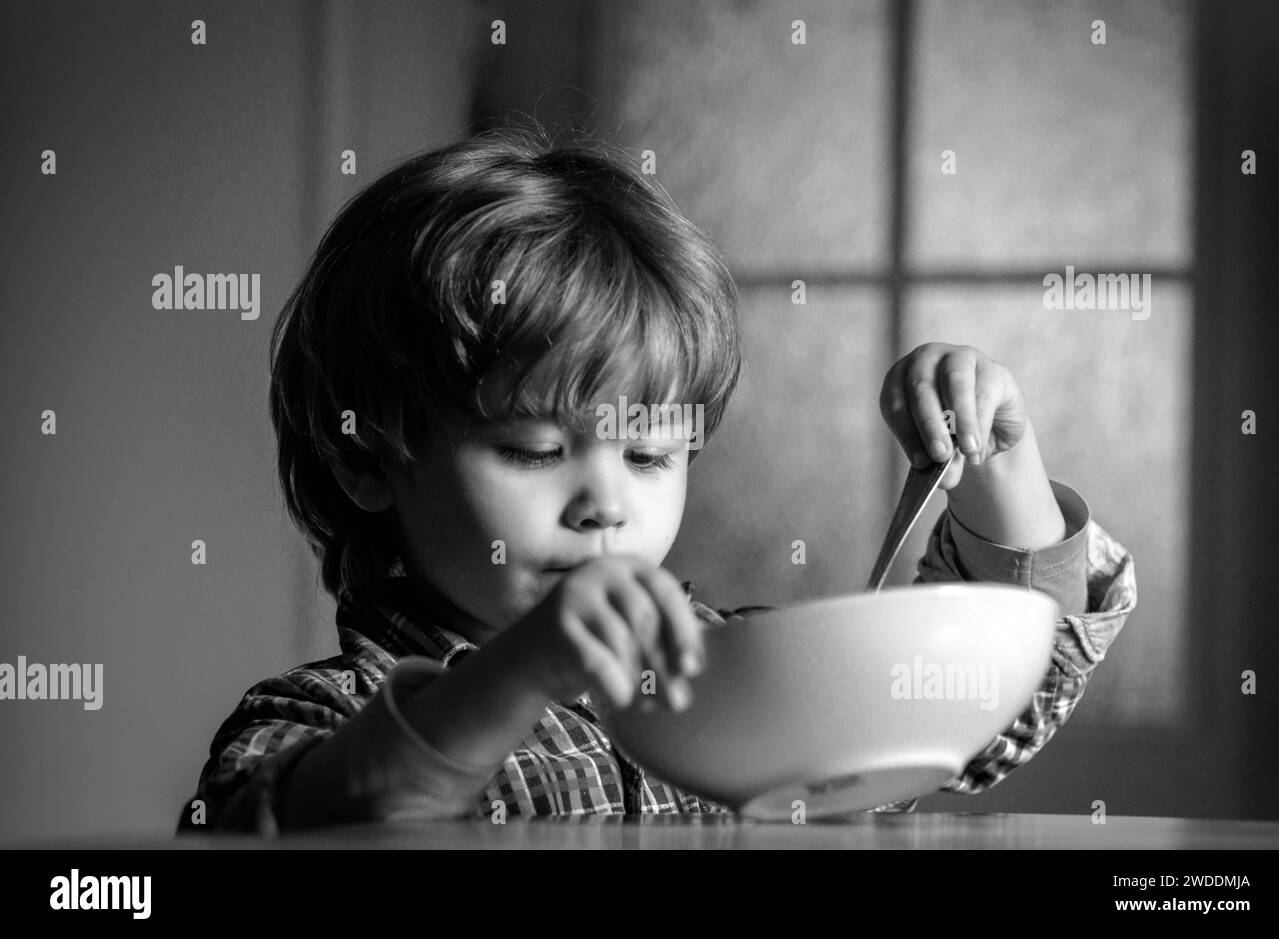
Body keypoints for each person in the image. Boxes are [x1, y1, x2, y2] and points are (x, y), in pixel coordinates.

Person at [176, 125, 1136, 836]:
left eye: (648, 455)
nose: (606, 501)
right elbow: (293, 826)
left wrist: (999, 468)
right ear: (363, 456)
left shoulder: (745, 680)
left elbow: (978, 705)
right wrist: (515, 675)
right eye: (536, 451)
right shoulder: (315, 719)